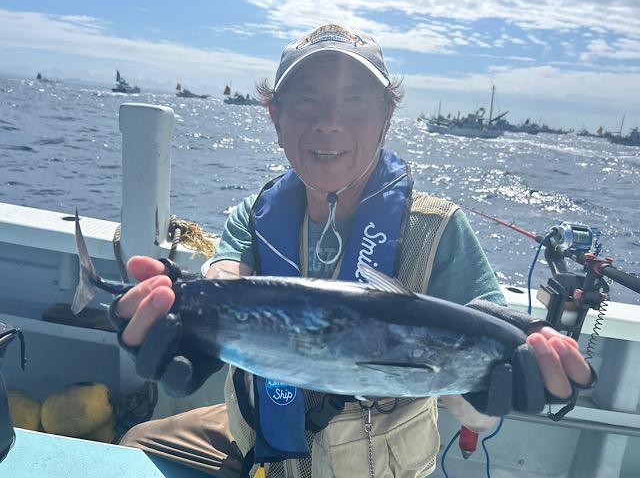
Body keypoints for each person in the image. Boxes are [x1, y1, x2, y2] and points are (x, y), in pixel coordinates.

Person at [113, 24, 594, 478]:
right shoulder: (255, 214)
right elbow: (226, 280)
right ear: (276, 117)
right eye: (307, 100)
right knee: (135, 443)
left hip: (369, 465)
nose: (329, 123)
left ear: (386, 117)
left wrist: (494, 390)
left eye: (356, 101)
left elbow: (473, 413)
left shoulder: (437, 230)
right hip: (256, 439)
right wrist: (181, 316)